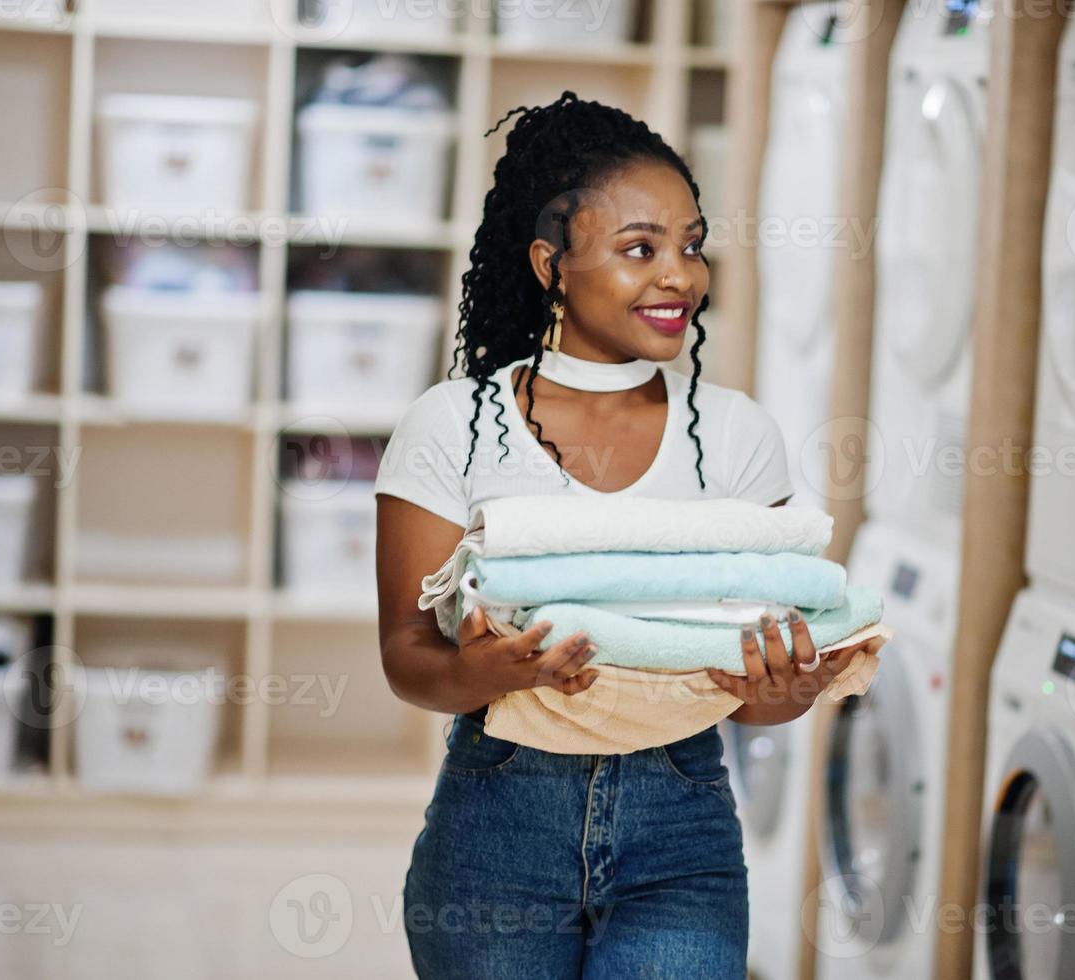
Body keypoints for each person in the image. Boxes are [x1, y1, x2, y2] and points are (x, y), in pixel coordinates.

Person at [373, 90, 886, 979]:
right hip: (498, 820)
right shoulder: (450, 424)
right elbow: (406, 653)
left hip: (679, 828)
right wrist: (481, 672)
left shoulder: (734, 433)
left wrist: (787, 687)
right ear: (551, 264)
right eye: (639, 249)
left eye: (690, 246)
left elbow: (759, 691)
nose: (679, 276)